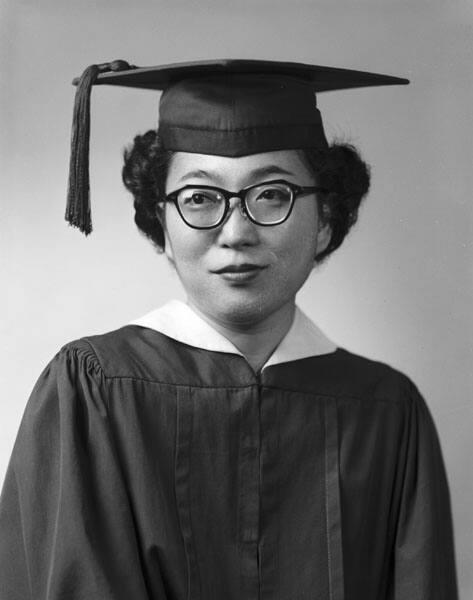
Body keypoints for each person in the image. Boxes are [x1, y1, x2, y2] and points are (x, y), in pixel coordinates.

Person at [0, 59, 458, 599]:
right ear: (163, 226)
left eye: (272, 195)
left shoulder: (387, 411)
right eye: (199, 199)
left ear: (326, 220)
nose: (236, 232)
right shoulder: (94, 391)